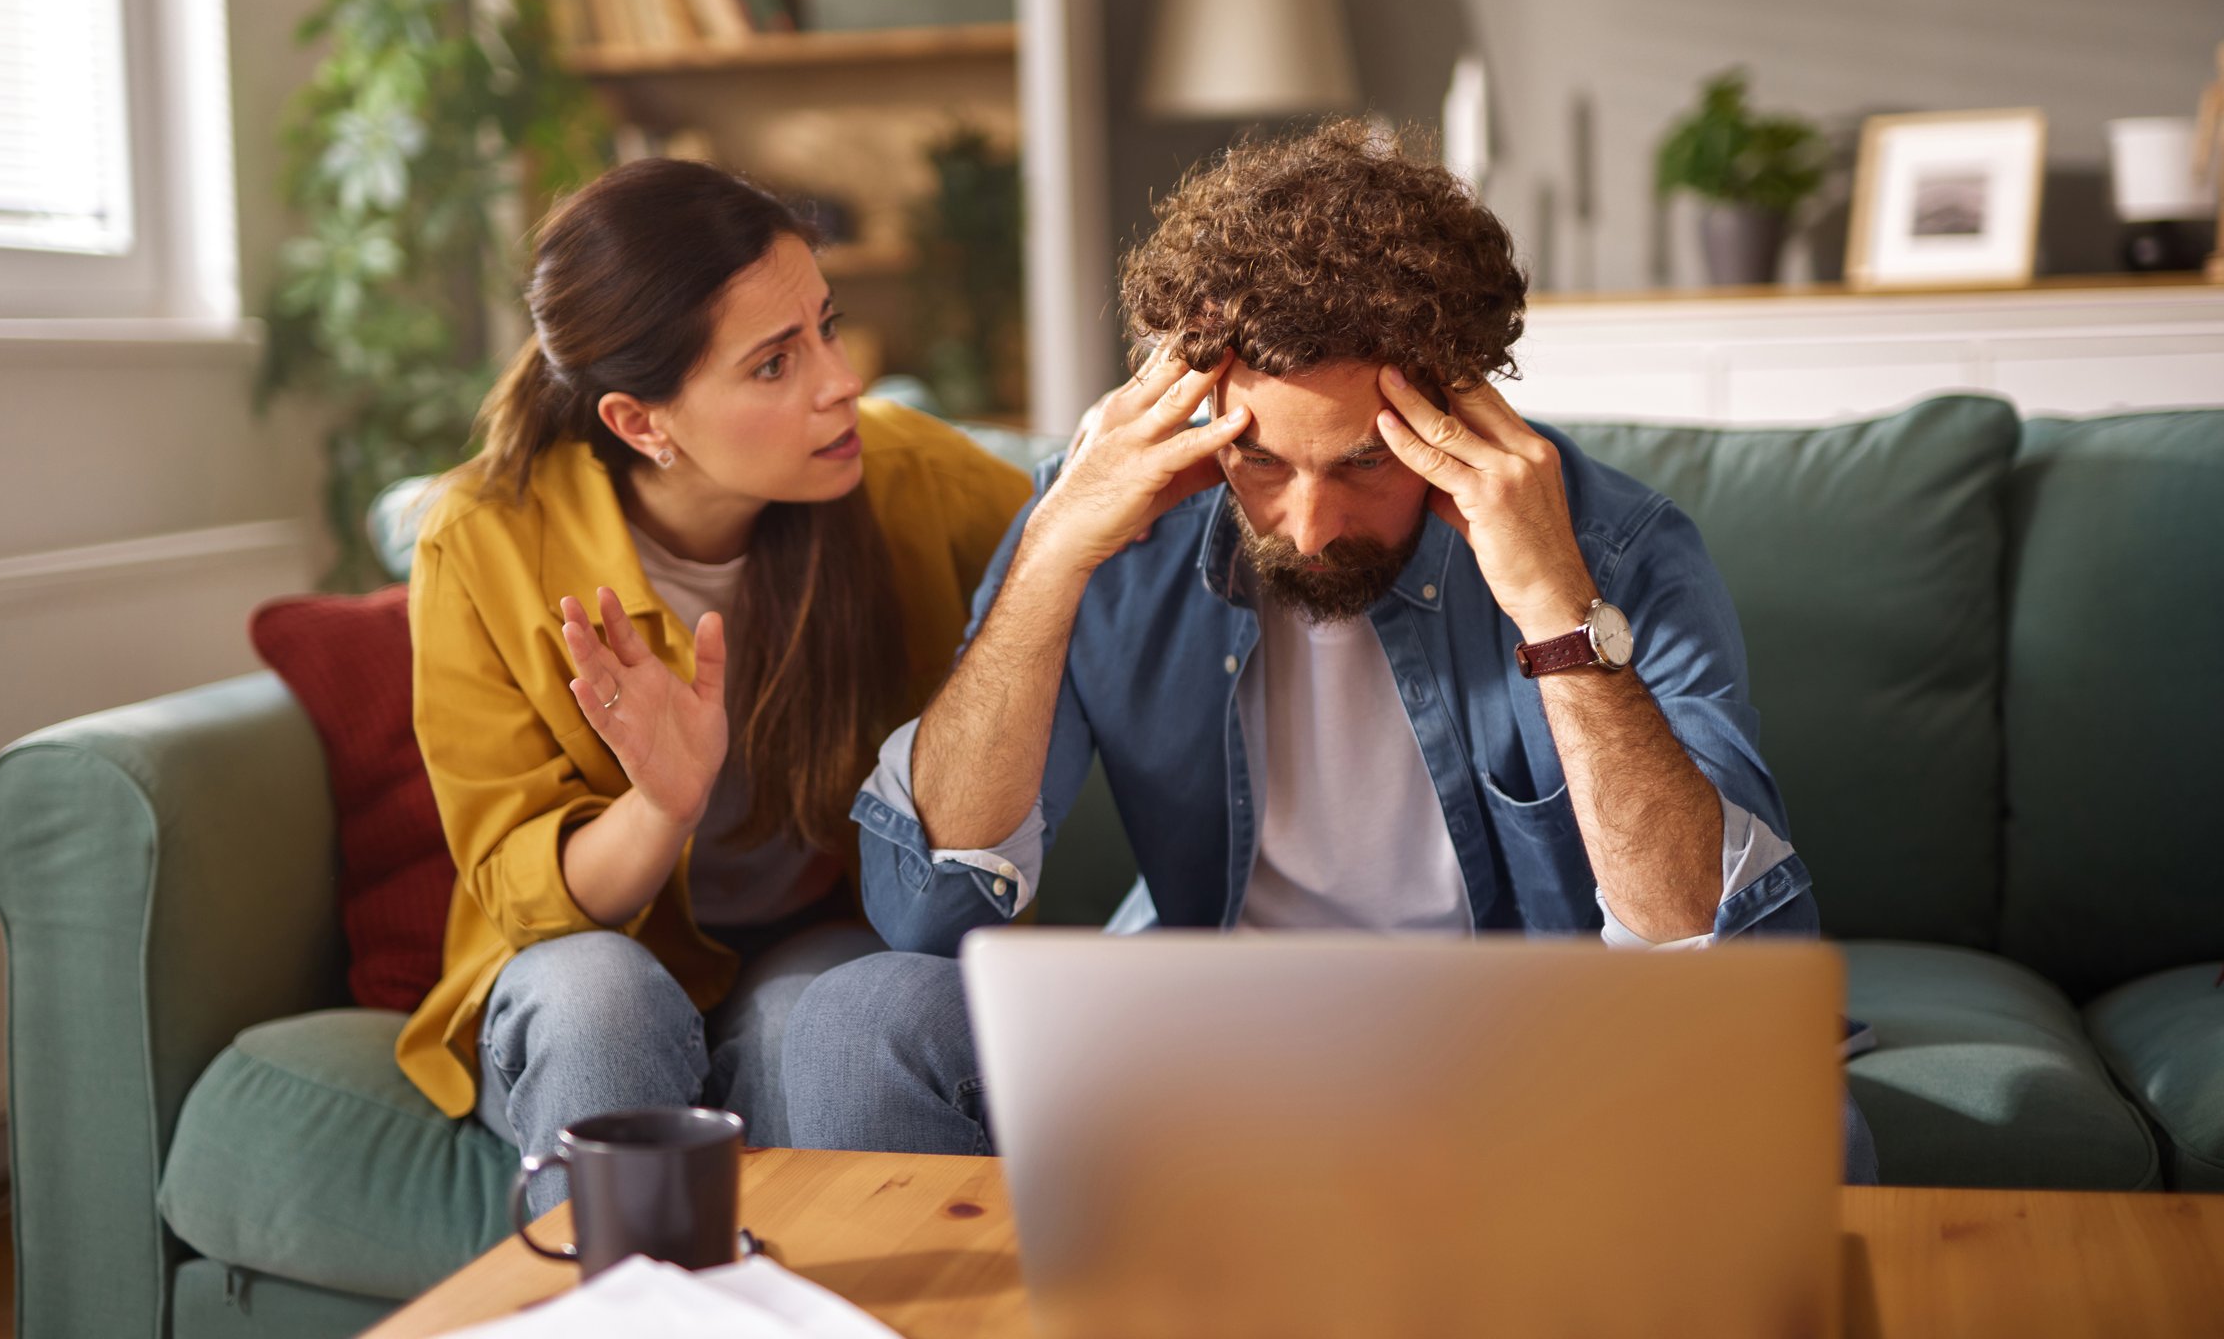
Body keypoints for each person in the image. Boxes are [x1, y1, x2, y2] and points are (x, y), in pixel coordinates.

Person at [784, 120, 1878, 1182]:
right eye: (1260, 462)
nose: (1307, 531)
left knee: (1801, 1123)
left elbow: (1729, 963)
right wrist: (1054, 554)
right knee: (859, 1018)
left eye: (1362, 464)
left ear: (1458, 404)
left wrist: (1555, 606)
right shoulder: (1112, 529)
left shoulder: (1609, 545)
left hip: (1527, 1053)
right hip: (1213, 1040)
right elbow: (926, 910)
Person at [392, 158, 1031, 1211]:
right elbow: (522, 889)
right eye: (775, 363)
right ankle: (628, 1294)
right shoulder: (481, 541)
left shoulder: (907, 474)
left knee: (820, 1026)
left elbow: (1104, 552)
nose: (841, 381)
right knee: (602, 1002)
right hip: (592, 951)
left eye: (827, 327)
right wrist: (662, 805)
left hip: (810, 934)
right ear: (642, 423)